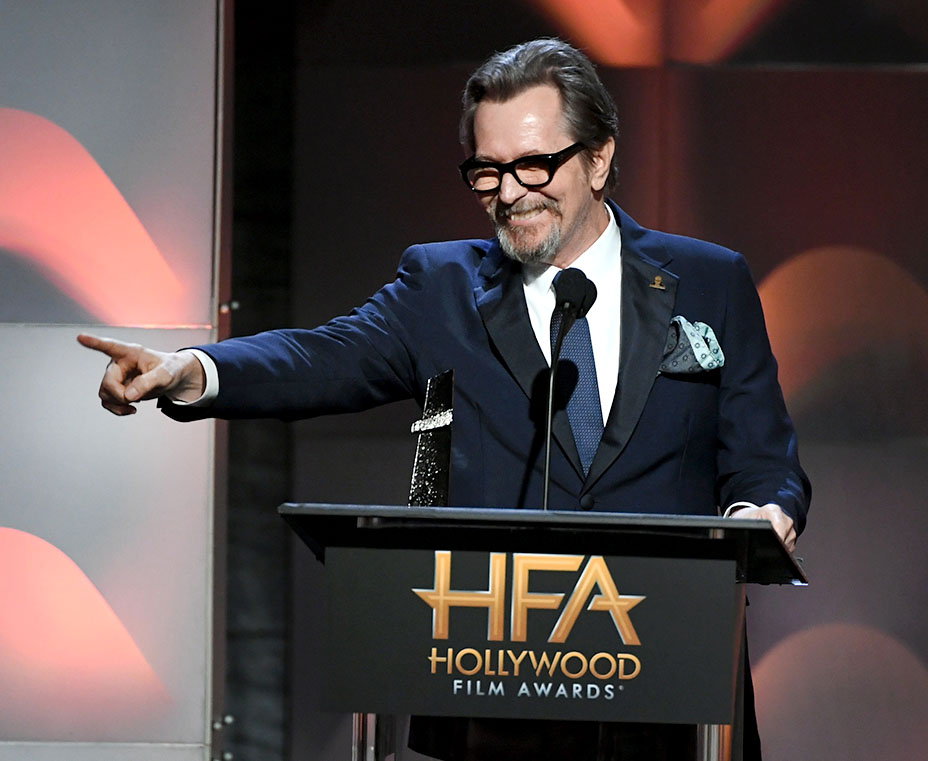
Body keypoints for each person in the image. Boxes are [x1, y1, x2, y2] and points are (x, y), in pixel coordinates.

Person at [80, 38, 809, 761]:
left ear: (599, 157)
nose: (510, 191)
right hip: (491, 694)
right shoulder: (443, 287)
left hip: (674, 693)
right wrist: (190, 369)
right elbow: (322, 356)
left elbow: (763, 461)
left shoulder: (709, 280)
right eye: (487, 170)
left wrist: (759, 515)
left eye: (533, 163)